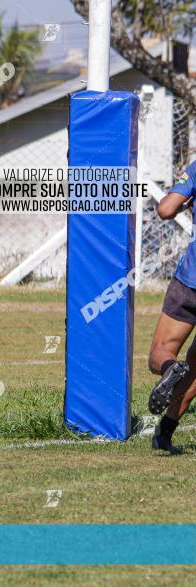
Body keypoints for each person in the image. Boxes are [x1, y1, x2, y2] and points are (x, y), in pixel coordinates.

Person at [148, 161, 196, 453]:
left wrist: (182, 205)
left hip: (191, 280)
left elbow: (165, 209)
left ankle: (169, 367)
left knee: (160, 354)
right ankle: (164, 435)